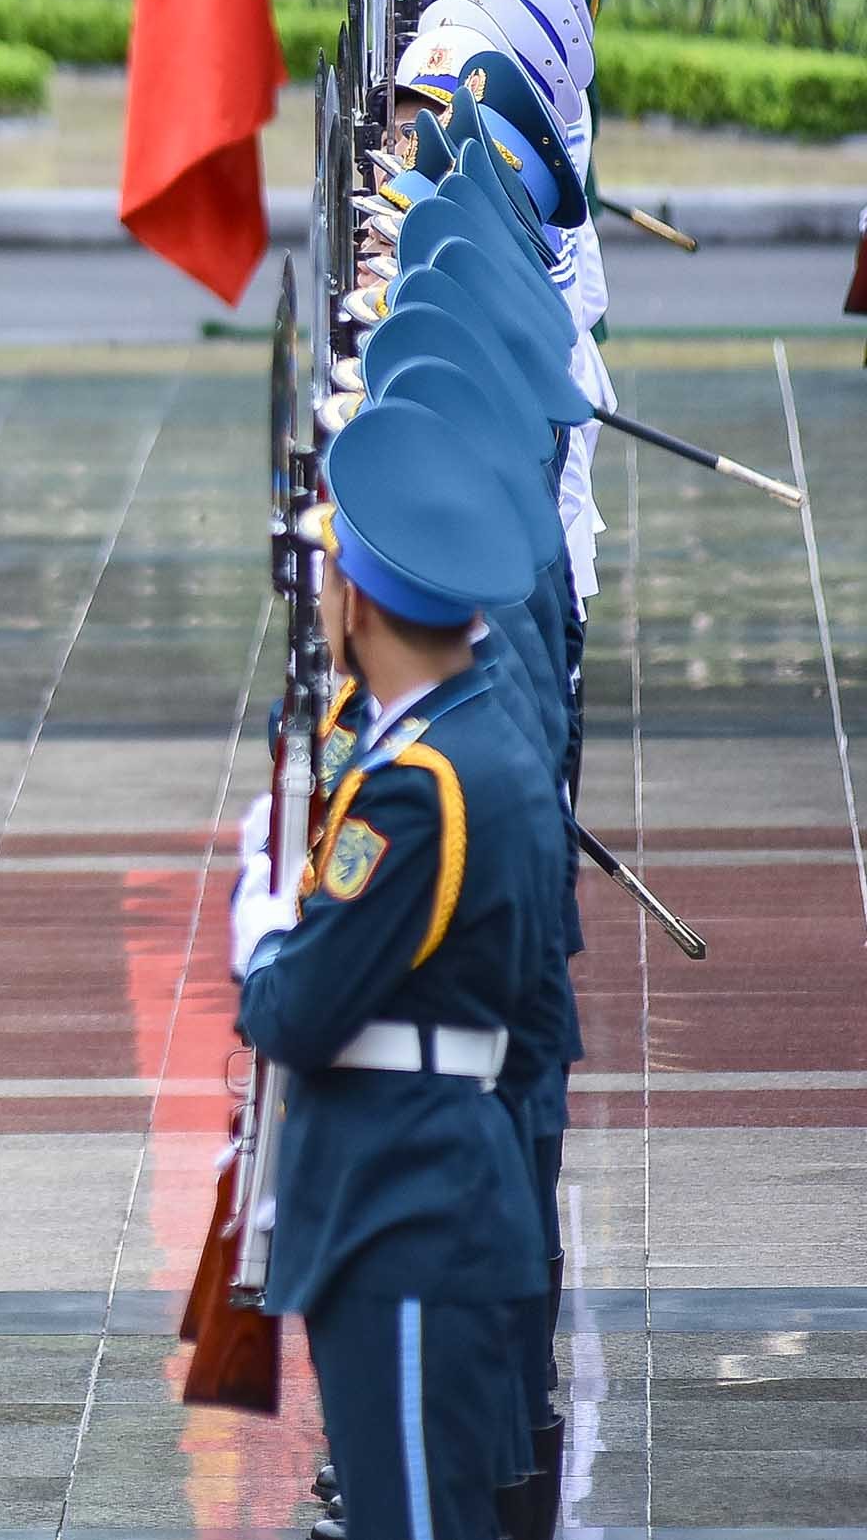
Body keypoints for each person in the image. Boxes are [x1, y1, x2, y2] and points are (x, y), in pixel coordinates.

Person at [228, 395, 558, 1540]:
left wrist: (262, 930)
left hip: (404, 1209)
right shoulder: (487, 740)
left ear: (354, 598)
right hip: (445, 1186)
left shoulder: (417, 787)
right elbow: (540, 1020)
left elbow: (297, 1010)